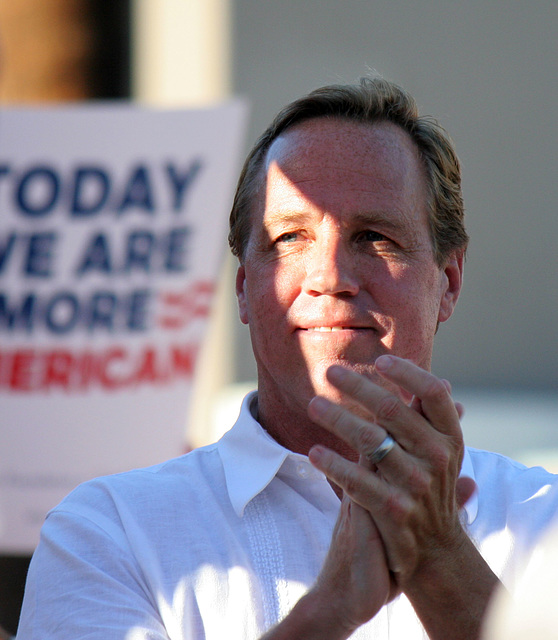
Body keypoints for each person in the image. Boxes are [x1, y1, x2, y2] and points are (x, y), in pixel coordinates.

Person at [16, 77, 558, 639]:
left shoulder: (545, 522)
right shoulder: (109, 531)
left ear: (448, 280)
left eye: (374, 236)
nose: (330, 278)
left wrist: (440, 556)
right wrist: (327, 614)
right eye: (290, 239)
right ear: (245, 287)